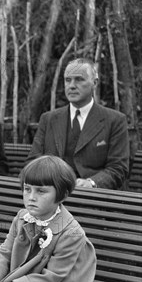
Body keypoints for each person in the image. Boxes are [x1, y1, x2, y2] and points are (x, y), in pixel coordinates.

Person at [27, 58, 129, 190]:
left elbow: (118, 168)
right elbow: (33, 162)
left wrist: (91, 183)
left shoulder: (115, 120)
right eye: (68, 80)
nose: (72, 85)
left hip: (94, 198)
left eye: (79, 79)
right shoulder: (48, 119)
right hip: (53, 197)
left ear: (94, 82)